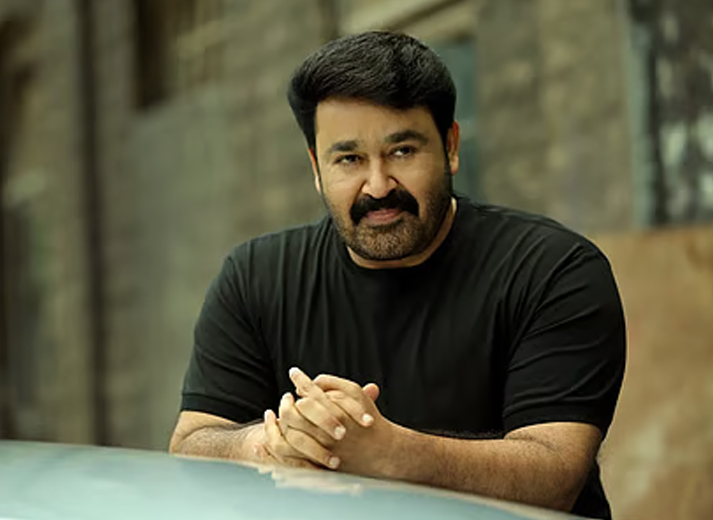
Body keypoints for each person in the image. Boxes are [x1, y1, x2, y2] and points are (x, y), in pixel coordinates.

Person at [169, 31, 626, 519]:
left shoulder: (553, 270)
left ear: (450, 147)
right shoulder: (255, 278)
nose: (378, 186)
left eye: (403, 151)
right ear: (316, 168)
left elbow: (555, 477)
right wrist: (273, 443)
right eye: (349, 159)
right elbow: (192, 444)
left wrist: (388, 453)